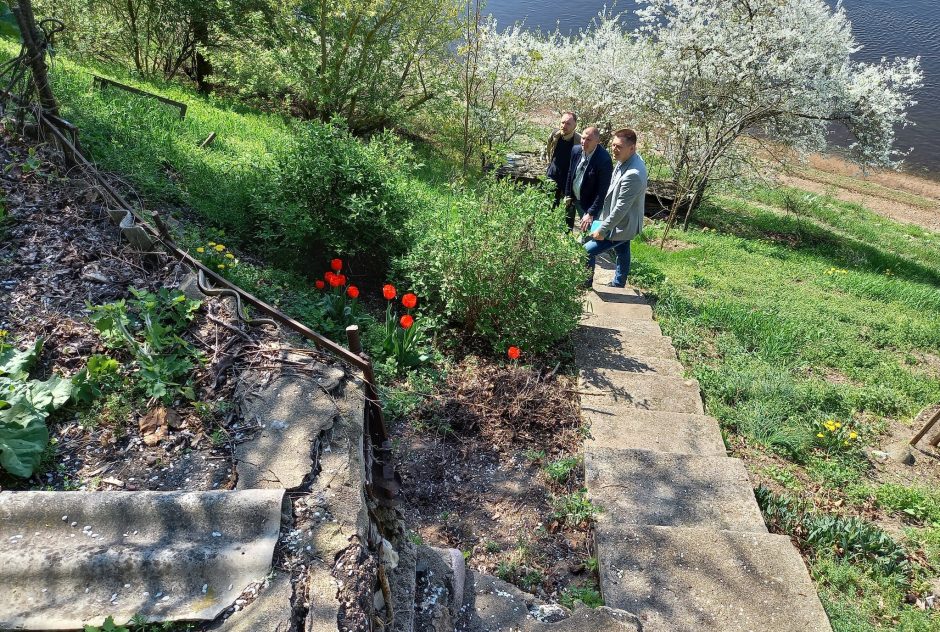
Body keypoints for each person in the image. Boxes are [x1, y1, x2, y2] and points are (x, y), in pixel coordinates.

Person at [583, 128, 648, 288]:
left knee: (586, 250)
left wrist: (602, 229)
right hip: (618, 219)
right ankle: (619, 284)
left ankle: (584, 284)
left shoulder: (634, 173)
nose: (614, 149)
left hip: (622, 223)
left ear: (632, 148)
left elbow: (621, 208)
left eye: (619, 146)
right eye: (613, 145)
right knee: (622, 249)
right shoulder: (626, 158)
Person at [564, 126, 613, 230]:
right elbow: (570, 173)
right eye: (583, 138)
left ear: (597, 141)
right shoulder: (576, 150)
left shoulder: (604, 160)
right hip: (574, 198)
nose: (584, 142)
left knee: (589, 235)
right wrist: (568, 194)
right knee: (566, 228)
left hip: (590, 203)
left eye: (589, 140)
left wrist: (590, 213)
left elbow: (602, 190)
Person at [545, 112, 581, 207]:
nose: (564, 126)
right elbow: (548, 151)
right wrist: (548, 165)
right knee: (549, 206)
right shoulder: (554, 135)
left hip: (569, 179)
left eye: (568, 123)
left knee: (569, 210)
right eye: (563, 122)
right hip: (553, 174)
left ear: (575, 125)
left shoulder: (579, 140)